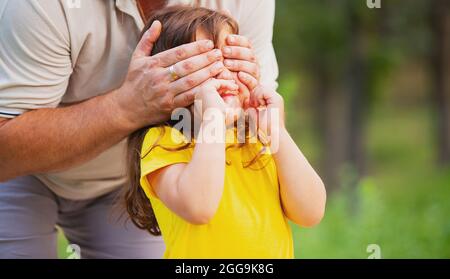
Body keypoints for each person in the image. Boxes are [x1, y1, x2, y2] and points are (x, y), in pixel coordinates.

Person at [0, 0, 276, 258]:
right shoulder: (42, 6)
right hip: (18, 170)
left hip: (134, 181)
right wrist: (127, 107)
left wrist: (247, 103)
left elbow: (259, 126)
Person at [126, 5, 326, 259]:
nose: (224, 74)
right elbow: (199, 207)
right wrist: (213, 122)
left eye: (230, 61)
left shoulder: (257, 138)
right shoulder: (163, 143)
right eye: (207, 64)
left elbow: (310, 212)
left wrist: (277, 131)